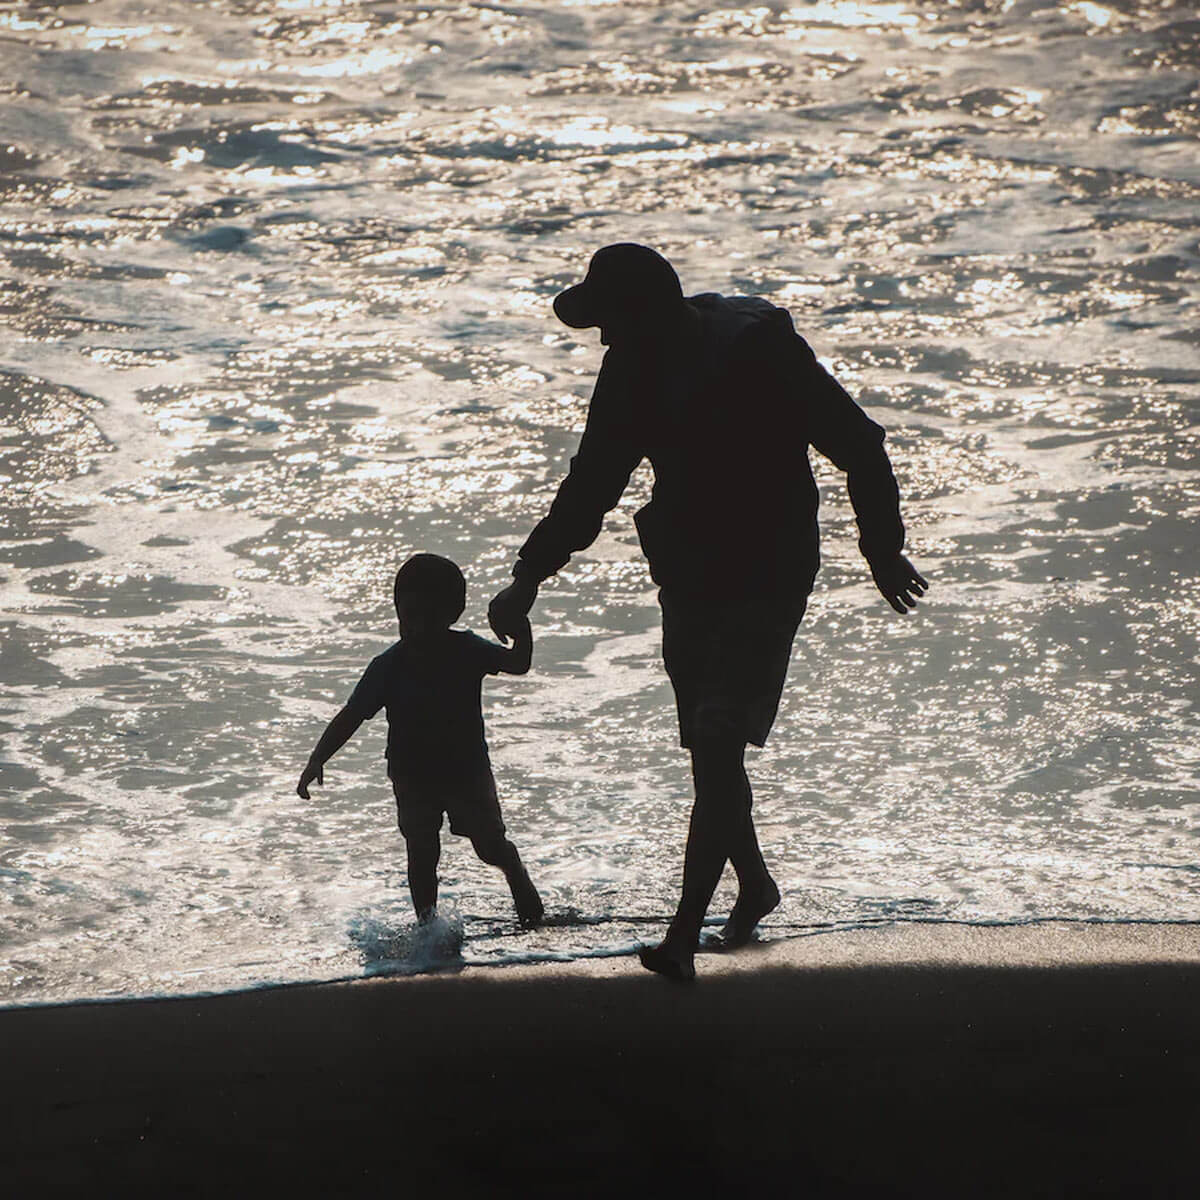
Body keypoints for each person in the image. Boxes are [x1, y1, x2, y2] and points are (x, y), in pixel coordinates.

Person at [488, 243, 926, 980]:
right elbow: (592, 484)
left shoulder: (759, 347)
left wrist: (881, 550)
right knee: (709, 749)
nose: (602, 339)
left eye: (610, 321)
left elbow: (861, 445)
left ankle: (684, 936)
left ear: (650, 313)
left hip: (769, 569)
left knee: (718, 746)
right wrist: (528, 576)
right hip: (690, 570)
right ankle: (753, 885)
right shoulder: (629, 366)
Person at [298, 553, 544, 928]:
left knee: (489, 846)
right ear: (398, 611)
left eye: (430, 615)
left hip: (467, 772)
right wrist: (318, 758)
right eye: (410, 614)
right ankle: (427, 928)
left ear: (454, 612)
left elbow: (518, 663)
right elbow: (351, 715)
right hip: (412, 776)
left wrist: (520, 628)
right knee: (421, 854)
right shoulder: (388, 666)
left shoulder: (468, 650)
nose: (418, 625)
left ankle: (514, 870)